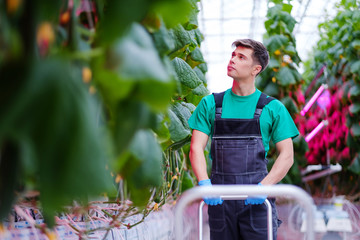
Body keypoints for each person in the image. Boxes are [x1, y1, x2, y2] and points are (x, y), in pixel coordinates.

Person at [188, 39, 299, 239]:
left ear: (256, 69)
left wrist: (264, 187)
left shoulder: (273, 108)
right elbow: (196, 148)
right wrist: (204, 183)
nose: (233, 60)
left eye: (241, 57)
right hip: (219, 200)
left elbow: (287, 155)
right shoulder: (210, 104)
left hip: (256, 201)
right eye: (233, 55)